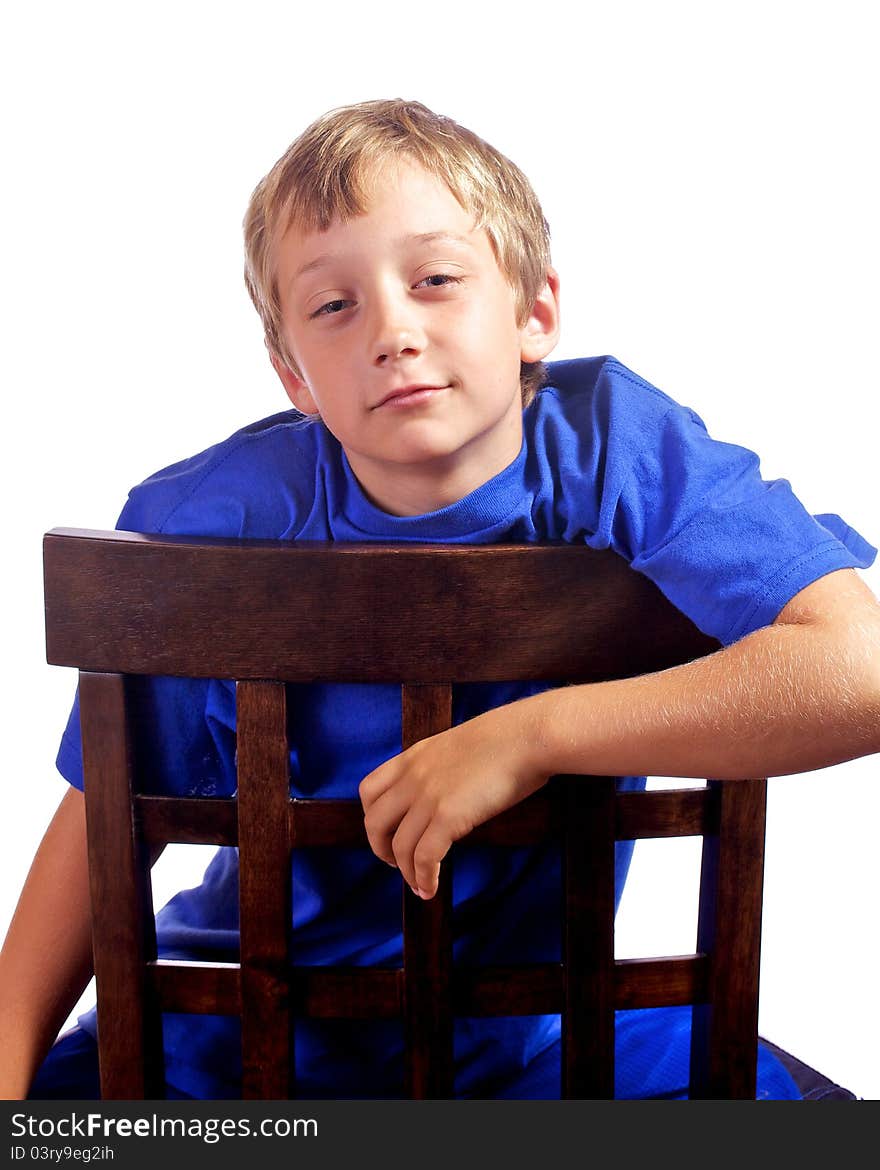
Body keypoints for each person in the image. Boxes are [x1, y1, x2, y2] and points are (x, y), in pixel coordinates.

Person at [3, 98, 878, 1101]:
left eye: (436, 280)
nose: (394, 332)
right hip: (233, 1037)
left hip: (547, 1036)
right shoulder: (209, 518)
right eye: (334, 306)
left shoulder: (622, 454)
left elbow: (861, 669)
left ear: (534, 314)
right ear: (294, 374)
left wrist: (531, 736)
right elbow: (105, 815)